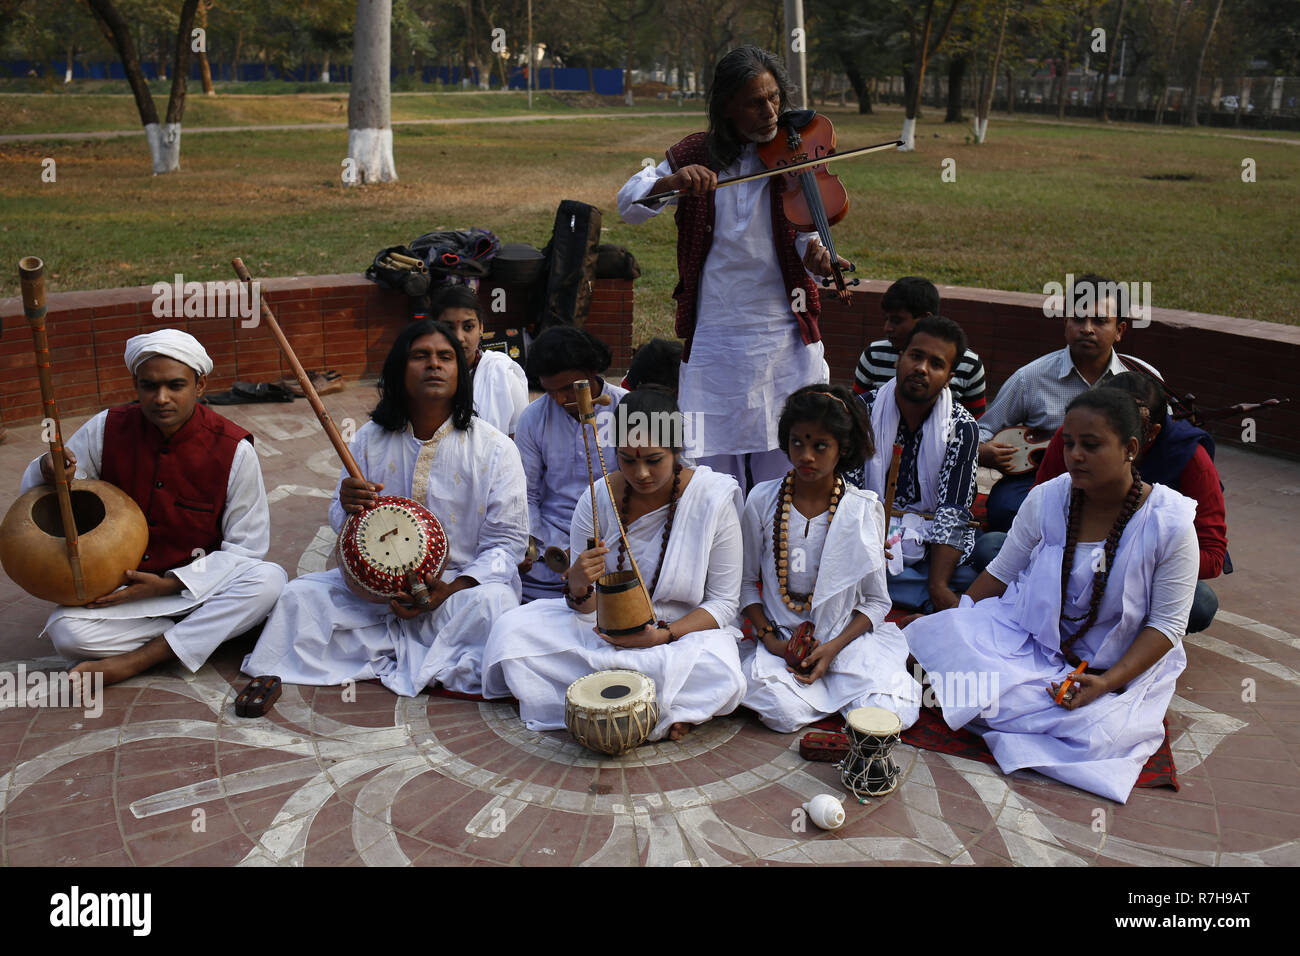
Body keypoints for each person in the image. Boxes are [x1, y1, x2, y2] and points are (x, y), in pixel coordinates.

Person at [906, 389, 1199, 803]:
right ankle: (989, 696)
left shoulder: (1170, 523)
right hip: (1027, 638)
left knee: (1100, 738)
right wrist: (958, 626)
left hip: (1109, 667)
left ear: (1130, 448)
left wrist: (1104, 682)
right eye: (1069, 443)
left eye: (1091, 445)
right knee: (939, 639)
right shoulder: (1049, 497)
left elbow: (1167, 626)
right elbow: (1001, 572)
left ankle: (1008, 709)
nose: (1074, 455)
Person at [242, 319, 529, 697]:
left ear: (461, 373)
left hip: (458, 590)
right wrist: (346, 505)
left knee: (495, 606)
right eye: (420, 356)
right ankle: (427, 658)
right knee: (300, 598)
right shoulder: (369, 439)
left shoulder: (494, 448)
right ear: (399, 370)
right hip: (376, 595)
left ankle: (377, 652)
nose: (434, 365)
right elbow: (340, 519)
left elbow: (507, 543)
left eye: (445, 357)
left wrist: (447, 589)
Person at [616, 44, 844, 494]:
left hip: (783, 338)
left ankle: (774, 560)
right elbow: (630, 205)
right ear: (727, 106)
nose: (771, 112)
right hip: (717, 336)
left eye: (775, 98)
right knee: (714, 477)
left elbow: (805, 237)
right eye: (755, 103)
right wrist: (672, 182)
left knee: (783, 471)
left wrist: (818, 257)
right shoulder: (695, 152)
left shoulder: (794, 152)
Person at [19, 330, 285, 686]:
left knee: (269, 581)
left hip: (199, 590)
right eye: (149, 386)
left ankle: (140, 658)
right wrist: (50, 470)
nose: (161, 398)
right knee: (68, 634)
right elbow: (58, 491)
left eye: (176, 386)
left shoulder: (235, 449)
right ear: (136, 384)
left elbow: (247, 549)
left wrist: (170, 584)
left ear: (200, 384)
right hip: (125, 591)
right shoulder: (106, 428)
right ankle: (206, 636)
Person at [483, 387, 746, 742]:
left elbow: (724, 603)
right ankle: (669, 707)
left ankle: (598, 698)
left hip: (681, 633)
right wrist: (577, 585)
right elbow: (586, 611)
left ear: (677, 451)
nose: (641, 473)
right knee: (510, 632)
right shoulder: (597, 499)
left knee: (721, 668)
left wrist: (663, 635)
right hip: (605, 632)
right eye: (627, 459)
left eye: (654, 460)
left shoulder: (711, 499)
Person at [738, 385, 920, 733]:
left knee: (894, 707)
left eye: (820, 446)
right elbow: (746, 583)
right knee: (779, 709)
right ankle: (828, 699)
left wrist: (833, 648)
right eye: (797, 443)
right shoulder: (762, 499)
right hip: (782, 638)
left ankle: (836, 691)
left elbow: (877, 602)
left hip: (843, 639)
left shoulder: (863, 509)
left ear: (843, 448)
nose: (806, 455)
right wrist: (770, 639)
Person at [1032, 372, 1226, 633]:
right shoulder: (1074, 439)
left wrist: (1129, 563)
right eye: (1077, 444)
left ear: (1139, 442)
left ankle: (1140, 635)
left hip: (1143, 580)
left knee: (1200, 604)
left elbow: (1213, 555)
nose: (1077, 455)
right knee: (992, 547)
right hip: (1067, 561)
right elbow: (1037, 514)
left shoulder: (1190, 460)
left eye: (1093, 445)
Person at [978, 274, 1160, 532]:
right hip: (1040, 476)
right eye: (1078, 319)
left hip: (1118, 479)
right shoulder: (1030, 378)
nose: (1086, 328)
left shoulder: (1143, 380)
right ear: (1065, 324)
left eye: (1099, 321)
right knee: (1005, 509)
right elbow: (982, 430)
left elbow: (1165, 439)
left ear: (1120, 330)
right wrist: (984, 452)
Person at [846, 317, 981, 612]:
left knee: (988, 558)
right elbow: (848, 494)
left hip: (930, 546)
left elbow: (953, 510)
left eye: (936, 364)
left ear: (949, 377)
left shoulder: (961, 426)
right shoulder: (861, 412)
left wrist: (938, 586)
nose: (921, 368)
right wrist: (868, 543)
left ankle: (889, 589)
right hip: (864, 537)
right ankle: (903, 591)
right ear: (900, 358)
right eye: (915, 356)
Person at [514, 326, 627, 600]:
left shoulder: (631, 409)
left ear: (592, 372)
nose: (560, 400)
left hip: (618, 541)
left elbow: (666, 481)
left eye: (568, 388)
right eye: (549, 391)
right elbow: (526, 495)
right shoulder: (532, 418)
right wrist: (540, 547)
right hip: (550, 550)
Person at [851, 276, 987, 417]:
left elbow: (977, 426)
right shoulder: (874, 355)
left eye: (897, 320)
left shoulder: (969, 365)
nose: (887, 328)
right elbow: (855, 413)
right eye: (886, 319)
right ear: (898, 360)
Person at [431, 284, 528, 437]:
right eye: (448, 328)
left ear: (481, 328)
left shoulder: (502, 375)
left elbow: (519, 439)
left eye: (468, 327)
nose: (459, 338)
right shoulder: (422, 376)